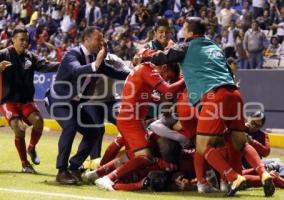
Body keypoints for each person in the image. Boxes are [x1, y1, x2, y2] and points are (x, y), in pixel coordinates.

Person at [141, 17, 275, 197]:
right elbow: (229, 72)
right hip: (234, 94)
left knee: (202, 147)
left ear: (189, 32)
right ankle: (263, 172)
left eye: (184, 28)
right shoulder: (216, 47)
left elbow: (161, 57)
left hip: (214, 96)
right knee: (240, 142)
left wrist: (145, 53)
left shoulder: (186, 46)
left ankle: (233, 177)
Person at [45, 26, 129, 185]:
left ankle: (74, 167)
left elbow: (114, 72)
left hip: (75, 104)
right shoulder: (72, 54)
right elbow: (77, 71)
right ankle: (61, 171)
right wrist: (96, 64)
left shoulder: (94, 58)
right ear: (86, 39)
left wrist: (135, 73)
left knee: (94, 132)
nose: (102, 42)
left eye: (103, 38)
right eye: (99, 38)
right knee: (70, 126)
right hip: (59, 101)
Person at [94, 50, 185, 191]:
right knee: (145, 157)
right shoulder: (150, 71)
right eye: (167, 76)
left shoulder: (142, 69)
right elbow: (167, 91)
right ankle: (108, 179)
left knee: (131, 153)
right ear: (164, 68)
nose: (165, 78)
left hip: (130, 117)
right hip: (131, 119)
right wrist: (185, 80)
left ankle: (97, 172)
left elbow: (148, 95)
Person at [0, 27, 60, 173]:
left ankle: (31, 148)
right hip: (8, 101)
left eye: (27, 40)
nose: (25, 43)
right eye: (21, 39)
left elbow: (46, 65)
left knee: (39, 121)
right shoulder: (3, 55)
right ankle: (25, 164)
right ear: (13, 40)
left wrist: (64, 65)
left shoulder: (30, 57)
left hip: (26, 101)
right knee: (19, 129)